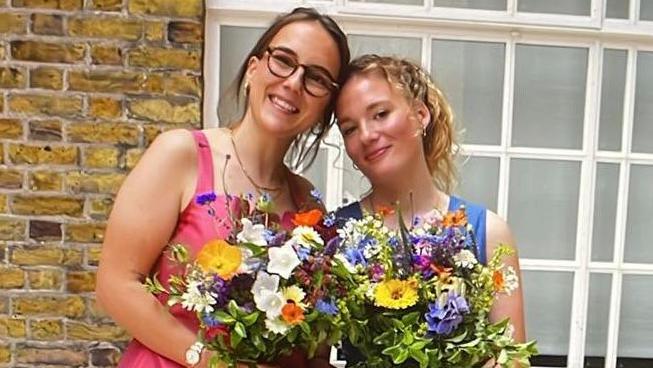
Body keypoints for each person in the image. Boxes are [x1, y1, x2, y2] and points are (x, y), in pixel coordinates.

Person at [95, 7, 350, 368]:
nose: (293, 82)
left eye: (317, 78)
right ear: (253, 69)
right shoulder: (181, 155)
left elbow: (312, 344)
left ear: (324, 111)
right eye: (283, 61)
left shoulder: (307, 205)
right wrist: (215, 362)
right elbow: (116, 285)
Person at [334, 55, 525, 365]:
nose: (367, 135)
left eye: (380, 114)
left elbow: (510, 357)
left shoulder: (487, 232)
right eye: (349, 129)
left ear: (420, 114)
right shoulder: (333, 235)